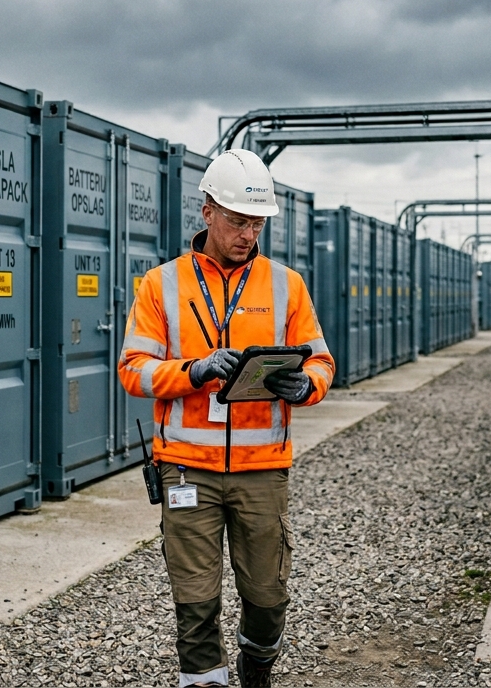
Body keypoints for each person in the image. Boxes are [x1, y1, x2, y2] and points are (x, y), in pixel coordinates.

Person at [118, 149, 335, 687]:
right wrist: (194, 371)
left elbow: (323, 361)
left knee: (268, 595)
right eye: (238, 220)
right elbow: (133, 371)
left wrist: (307, 384)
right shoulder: (160, 284)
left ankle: (257, 661)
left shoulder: (287, 284)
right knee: (195, 601)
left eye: (257, 223)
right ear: (208, 211)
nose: (248, 234)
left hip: (263, 467)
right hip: (186, 468)